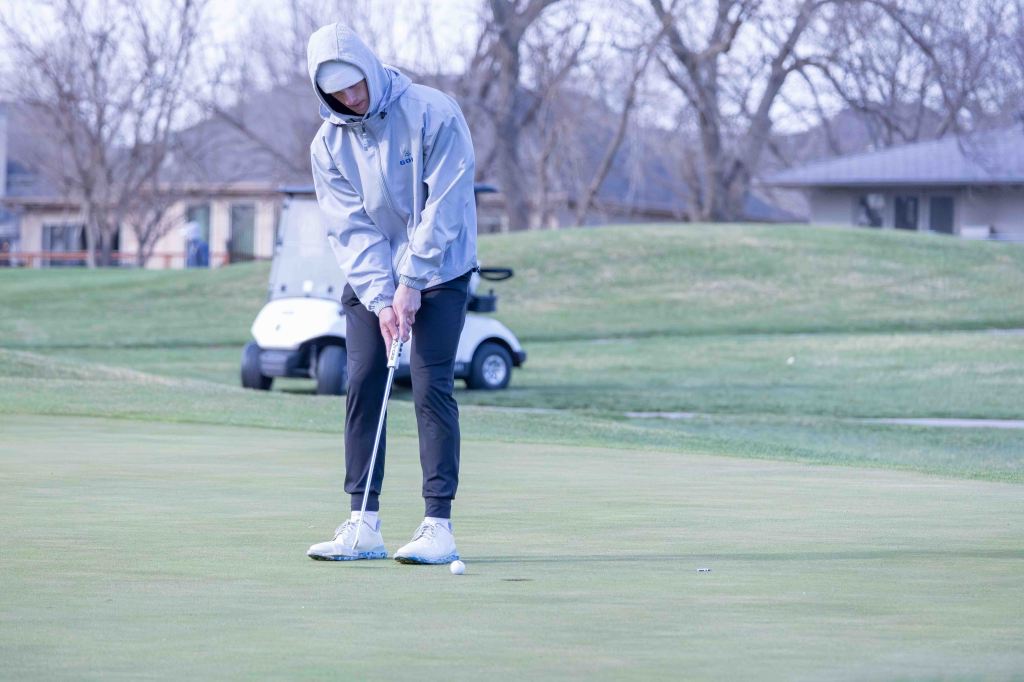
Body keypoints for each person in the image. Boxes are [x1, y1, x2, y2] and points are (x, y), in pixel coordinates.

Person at [304, 23, 478, 564]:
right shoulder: (327, 144)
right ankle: (363, 523)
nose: (351, 98)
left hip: (442, 264)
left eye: (356, 84)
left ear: (370, 68)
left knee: (430, 383)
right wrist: (383, 298)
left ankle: (437, 525)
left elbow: (446, 202)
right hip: (373, 273)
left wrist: (413, 281)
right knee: (361, 378)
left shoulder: (434, 111)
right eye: (338, 92)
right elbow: (350, 228)